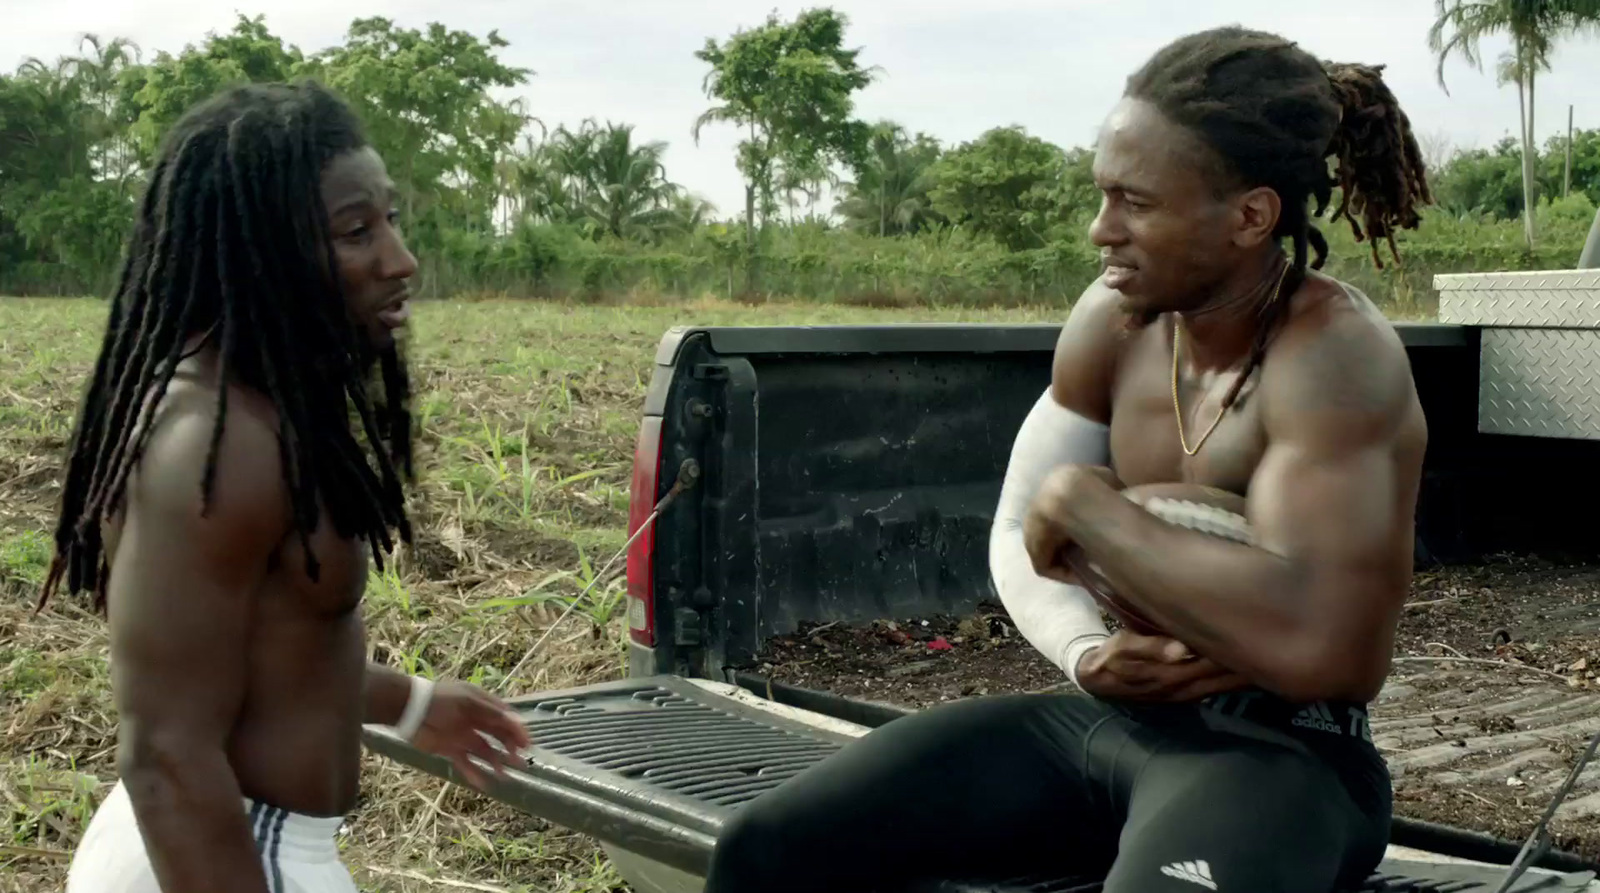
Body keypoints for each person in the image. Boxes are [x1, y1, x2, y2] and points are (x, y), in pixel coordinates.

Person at [701, 26, 1431, 893]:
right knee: (768, 848)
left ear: (1250, 216)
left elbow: (1331, 650)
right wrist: (1086, 650)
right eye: (1102, 195)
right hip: (1113, 720)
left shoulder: (1335, 354)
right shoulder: (1114, 322)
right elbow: (1019, 523)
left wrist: (1091, 508)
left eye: (1136, 202)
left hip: (1287, 757)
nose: (1100, 230)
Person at [39, 80, 531, 893]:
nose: (399, 260)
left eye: (390, 219)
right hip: (221, 847)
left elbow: (262, 662)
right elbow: (165, 753)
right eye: (354, 232)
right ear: (261, 249)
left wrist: (409, 703)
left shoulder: (255, 410)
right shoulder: (220, 444)